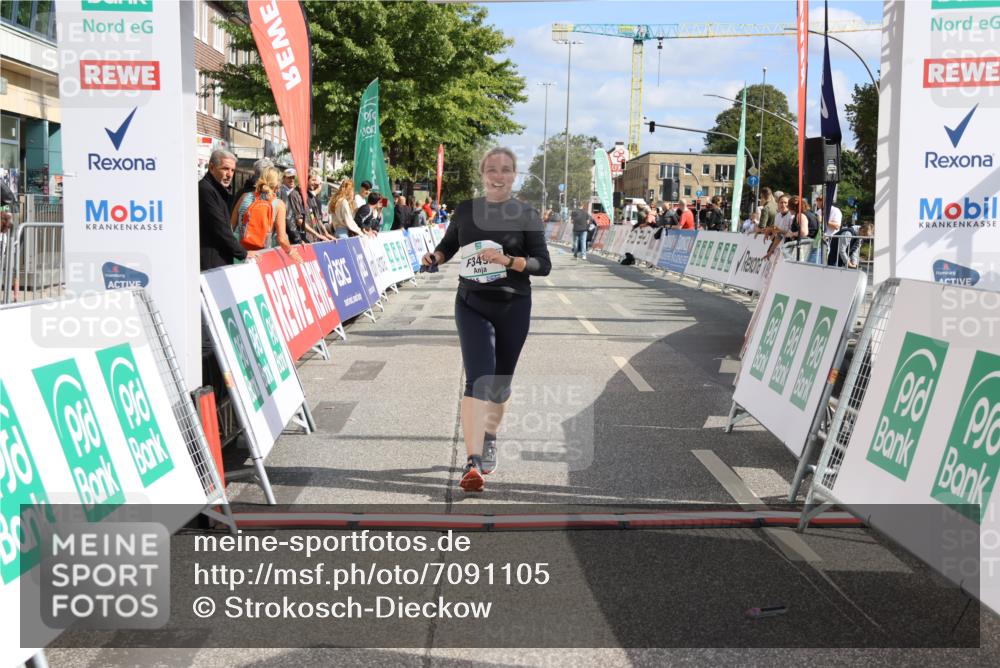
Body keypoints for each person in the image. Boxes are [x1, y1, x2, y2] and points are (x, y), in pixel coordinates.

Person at [420, 147, 551, 492]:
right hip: (471, 302)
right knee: (477, 380)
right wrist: (435, 256)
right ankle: (472, 461)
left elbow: (543, 264)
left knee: (499, 385)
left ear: (514, 175)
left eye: (506, 169)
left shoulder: (527, 214)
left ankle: (490, 436)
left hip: (513, 306)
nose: (498, 175)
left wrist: (509, 261)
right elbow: (449, 245)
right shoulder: (466, 211)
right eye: (492, 169)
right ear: (483, 173)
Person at [199, 149, 250, 271]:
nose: (230, 174)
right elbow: (219, 227)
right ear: (211, 167)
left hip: (220, 259)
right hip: (211, 262)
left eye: (232, 170)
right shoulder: (205, 190)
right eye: (225, 169)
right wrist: (244, 254)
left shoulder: (218, 190)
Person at [288, 169, 332, 242]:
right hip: (303, 240)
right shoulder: (294, 195)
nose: (316, 183)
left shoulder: (310, 195)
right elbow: (299, 220)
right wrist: (317, 234)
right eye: (313, 180)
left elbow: (317, 217)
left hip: (314, 239)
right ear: (306, 180)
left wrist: (326, 233)